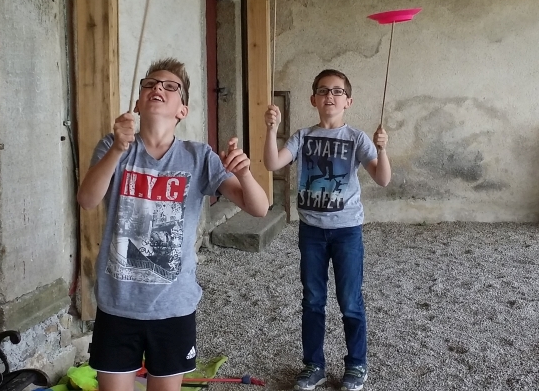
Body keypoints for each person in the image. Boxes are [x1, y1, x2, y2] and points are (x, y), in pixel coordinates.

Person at [77, 58, 269, 391]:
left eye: (170, 86)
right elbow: (87, 199)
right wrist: (118, 148)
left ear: (183, 110)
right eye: (150, 84)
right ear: (138, 104)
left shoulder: (199, 156)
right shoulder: (112, 147)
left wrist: (245, 173)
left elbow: (259, 208)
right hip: (118, 304)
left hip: (173, 306)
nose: (158, 89)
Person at [263, 69, 391, 391]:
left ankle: (357, 364)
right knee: (312, 299)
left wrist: (382, 149)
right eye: (323, 91)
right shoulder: (303, 136)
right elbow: (273, 163)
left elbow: (383, 178)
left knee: (350, 300)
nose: (330, 96)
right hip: (311, 231)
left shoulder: (356, 138)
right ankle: (313, 365)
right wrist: (272, 129)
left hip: (347, 231)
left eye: (337, 91)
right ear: (313, 99)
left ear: (348, 101)